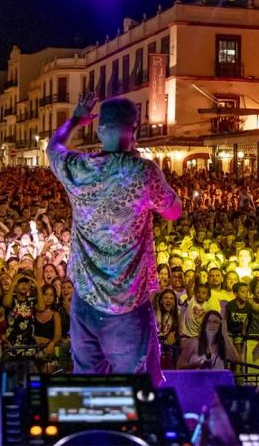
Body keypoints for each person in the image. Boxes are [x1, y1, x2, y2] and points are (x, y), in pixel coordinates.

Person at [47, 93, 181, 385]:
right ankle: (134, 431)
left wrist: (74, 120)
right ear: (135, 130)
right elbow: (174, 212)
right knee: (138, 390)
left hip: (84, 299)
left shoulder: (78, 169)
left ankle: (95, 430)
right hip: (128, 305)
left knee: (88, 385)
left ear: (98, 129)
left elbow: (53, 147)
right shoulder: (143, 172)